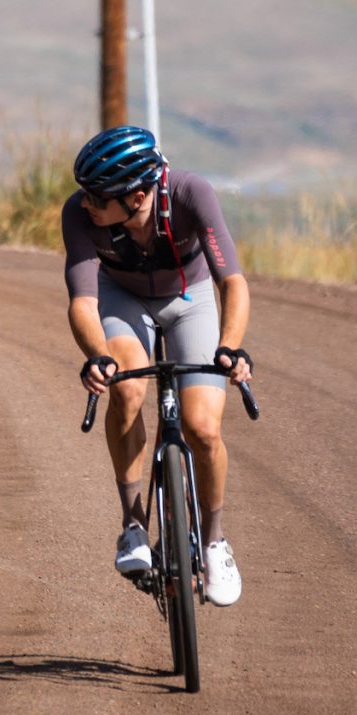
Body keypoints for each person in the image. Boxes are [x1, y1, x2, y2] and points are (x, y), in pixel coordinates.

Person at [63, 126, 254, 607]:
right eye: (84, 193)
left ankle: (214, 541)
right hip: (122, 297)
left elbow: (232, 282)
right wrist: (98, 354)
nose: (85, 203)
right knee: (127, 388)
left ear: (137, 196)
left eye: (97, 196)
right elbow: (83, 302)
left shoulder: (191, 193)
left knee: (202, 427)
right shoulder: (78, 214)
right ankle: (132, 525)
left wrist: (230, 346)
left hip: (191, 299)